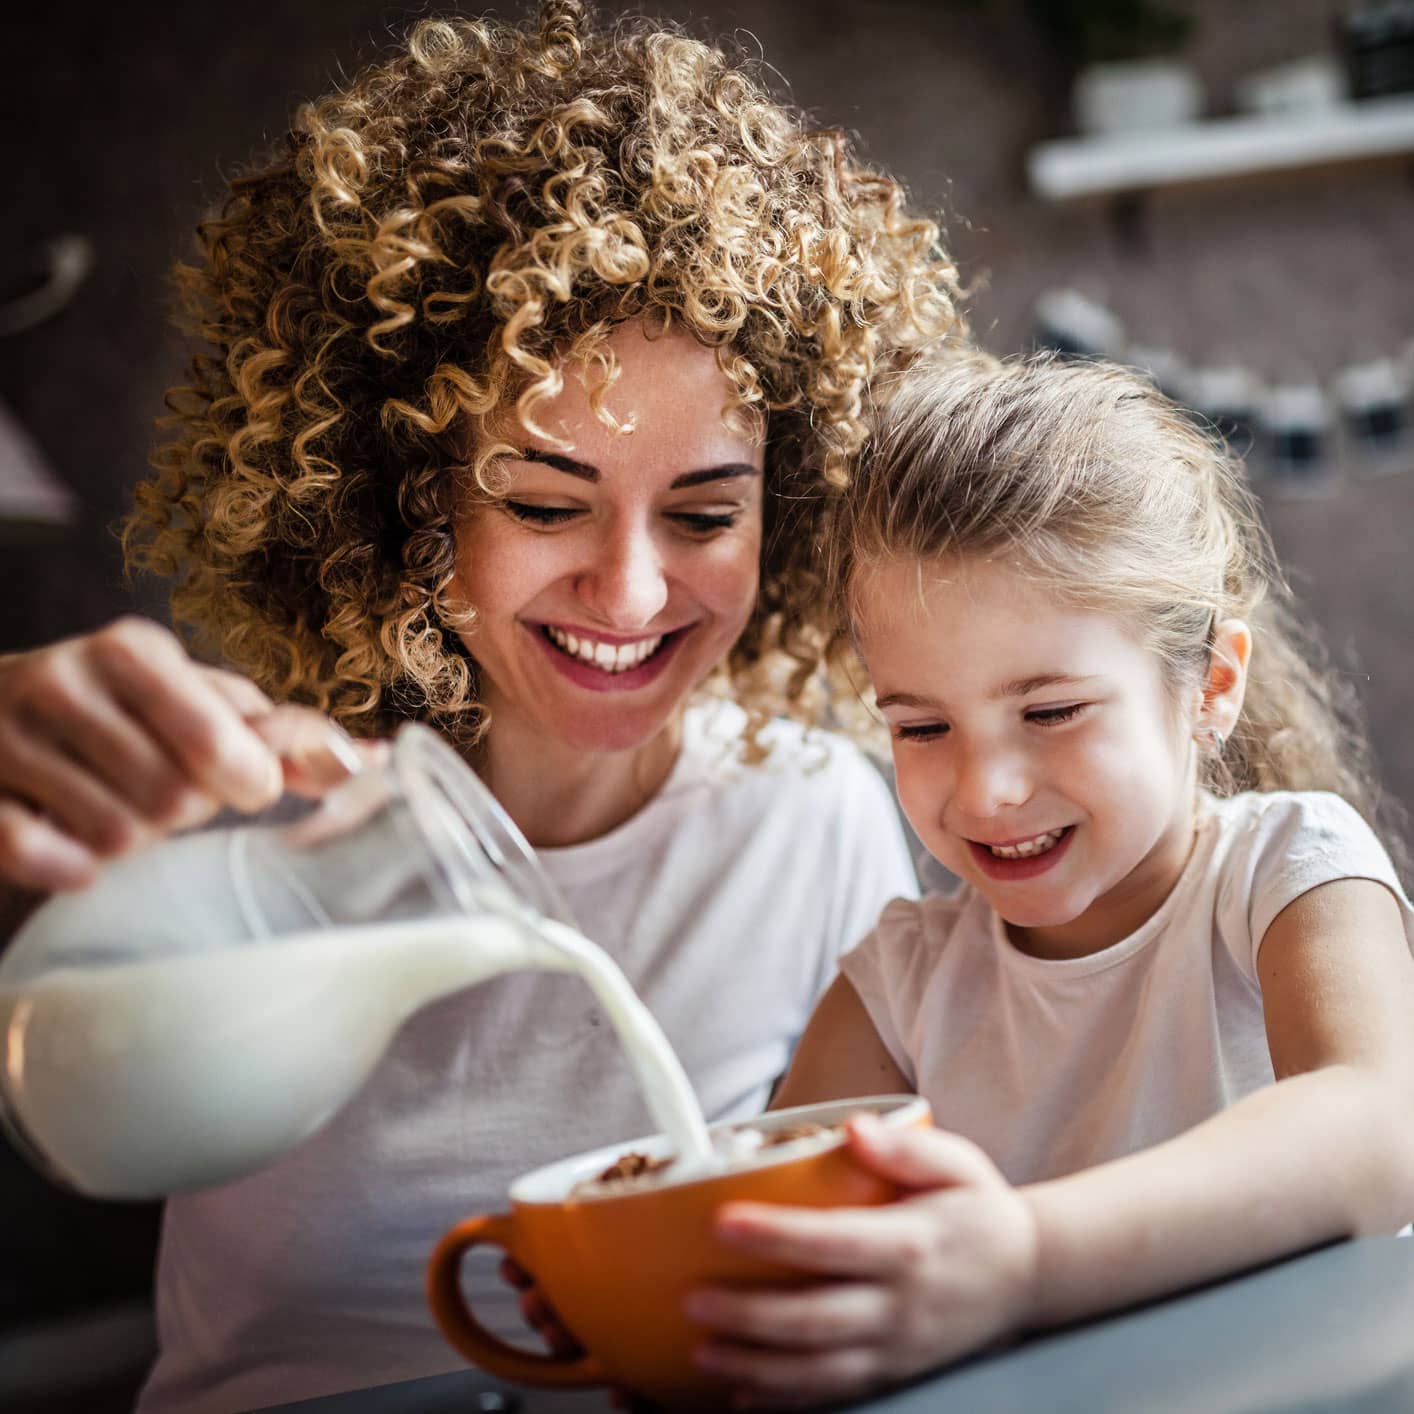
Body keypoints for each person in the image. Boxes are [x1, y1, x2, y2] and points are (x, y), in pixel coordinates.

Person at [0, 4, 967, 1409]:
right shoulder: (241, 799)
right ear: (410, 498)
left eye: (703, 511)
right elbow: (53, 1105)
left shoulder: (808, 820)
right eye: (540, 500)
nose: (632, 593)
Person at [683, 353, 1414, 1408]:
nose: (985, 791)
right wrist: (630, 1271)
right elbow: (765, 1229)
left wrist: (1021, 1257)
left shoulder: (1288, 875)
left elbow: (1375, 1127)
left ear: (1208, 684)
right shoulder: (900, 987)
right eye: (922, 726)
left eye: (1050, 710)